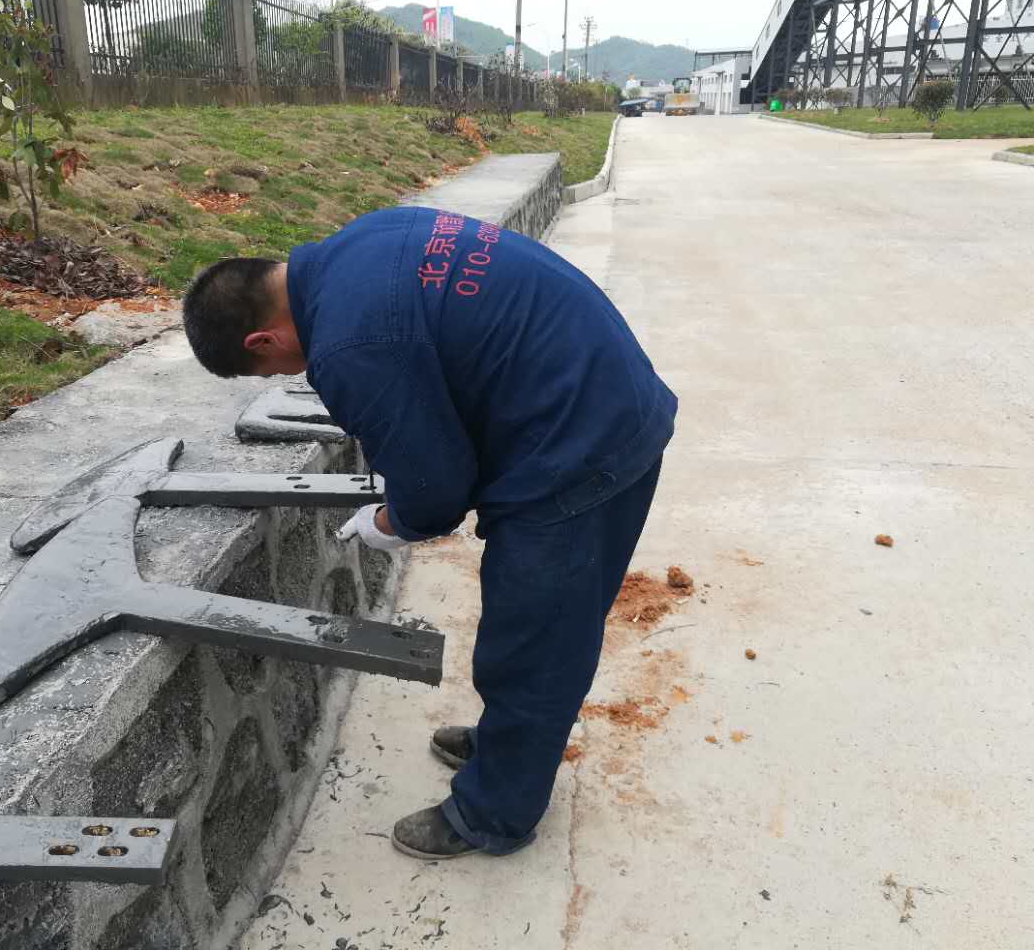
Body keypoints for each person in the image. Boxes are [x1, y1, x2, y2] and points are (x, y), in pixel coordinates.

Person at [183, 206, 677, 860]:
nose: (289, 376)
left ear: (261, 341)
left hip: (581, 445)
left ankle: (493, 813)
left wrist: (390, 523)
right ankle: (509, 747)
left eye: (273, 372)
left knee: (534, 644)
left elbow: (436, 489)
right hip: (592, 394)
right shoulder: (360, 243)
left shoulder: (350, 344)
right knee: (528, 635)